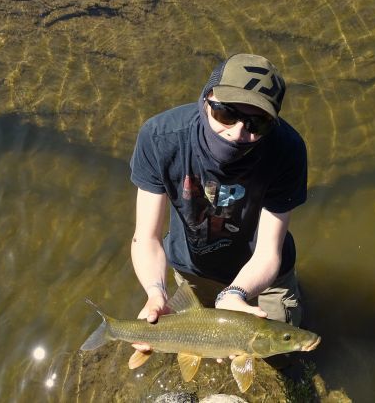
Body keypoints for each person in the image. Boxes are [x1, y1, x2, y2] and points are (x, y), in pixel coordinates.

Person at [129, 54, 307, 335]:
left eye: (256, 124)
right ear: (206, 99)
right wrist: (155, 292)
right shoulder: (160, 137)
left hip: (265, 276)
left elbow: (268, 252)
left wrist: (235, 293)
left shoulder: (287, 150)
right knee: (196, 344)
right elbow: (146, 237)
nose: (237, 133)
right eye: (226, 113)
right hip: (192, 268)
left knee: (279, 352)